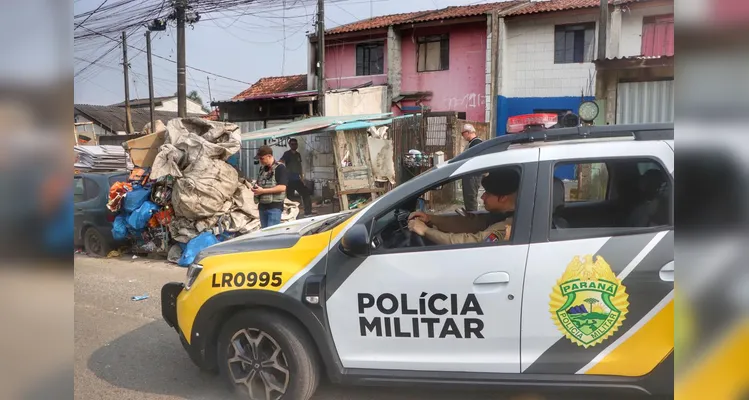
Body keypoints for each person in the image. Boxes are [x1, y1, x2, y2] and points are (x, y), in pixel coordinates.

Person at [407, 168, 519, 245]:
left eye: (488, 193)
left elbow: (473, 242)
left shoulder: (508, 226)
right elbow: (472, 223)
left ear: (503, 197)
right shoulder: (502, 214)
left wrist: (426, 231)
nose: (482, 197)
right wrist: (430, 219)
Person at [252, 145, 288, 228]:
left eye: (262, 158)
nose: (260, 161)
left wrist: (262, 191)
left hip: (274, 207)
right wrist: (255, 188)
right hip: (262, 206)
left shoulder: (280, 168)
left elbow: (282, 187)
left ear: (269, 156)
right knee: (264, 235)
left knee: (271, 235)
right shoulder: (262, 169)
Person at [280, 138, 313, 217]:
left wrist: (302, 177)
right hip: (289, 180)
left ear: (297, 145)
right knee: (289, 198)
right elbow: (281, 161)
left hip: (297, 179)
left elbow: (299, 166)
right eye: (292, 144)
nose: (294, 145)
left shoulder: (298, 154)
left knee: (306, 194)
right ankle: (289, 215)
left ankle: (308, 213)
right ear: (290, 145)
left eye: (295, 144)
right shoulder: (287, 154)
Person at [460, 123, 483, 212]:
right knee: (469, 196)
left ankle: (472, 216)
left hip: (473, 175)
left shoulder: (476, 143)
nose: (462, 136)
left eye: (463, 133)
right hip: (470, 174)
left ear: (468, 132)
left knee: (470, 197)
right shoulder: (472, 143)